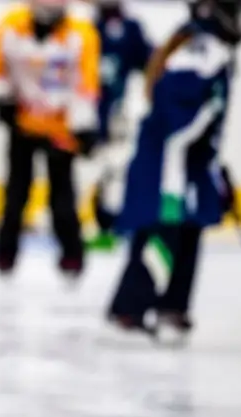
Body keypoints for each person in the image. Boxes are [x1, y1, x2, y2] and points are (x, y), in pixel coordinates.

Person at [107, 0, 241, 342]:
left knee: (186, 230)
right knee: (166, 231)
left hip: (184, 164)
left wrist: (212, 169)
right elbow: (176, 115)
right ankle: (133, 308)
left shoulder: (204, 45)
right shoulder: (202, 49)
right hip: (172, 165)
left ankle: (171, 307)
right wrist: (188, 167)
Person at [0, 0, 101, 277]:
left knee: (62, 198)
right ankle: (5, 255)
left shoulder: (81, 33)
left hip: (61, 128)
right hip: (23, 123)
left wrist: (83, 125)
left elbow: (86, 83)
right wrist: (3, 98)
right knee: (15, 194)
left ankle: (72, 255)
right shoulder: (11, 25)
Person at [87, 0, 154, 252]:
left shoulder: (130, 28)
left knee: (114, 172)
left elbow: (150, 63)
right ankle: (74, 229)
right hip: (82, 116)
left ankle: (108, 224)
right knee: (80, 174)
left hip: (115, 115)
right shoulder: (84, 26)